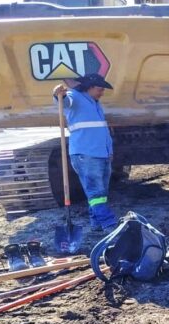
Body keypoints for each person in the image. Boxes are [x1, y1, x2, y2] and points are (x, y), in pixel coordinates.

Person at [53, 73, 118, 232]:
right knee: (96, 191)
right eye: (100, 88)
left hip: (101, 154)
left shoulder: (96, 104)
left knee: (101, 192)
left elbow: (102, 129)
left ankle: (96, 223)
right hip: (85, 154)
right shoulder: (74, 97)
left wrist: (109, 150)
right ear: (89, 87)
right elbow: (64, 101)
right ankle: (109, 224)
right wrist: (57, 94)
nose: (102, 92)